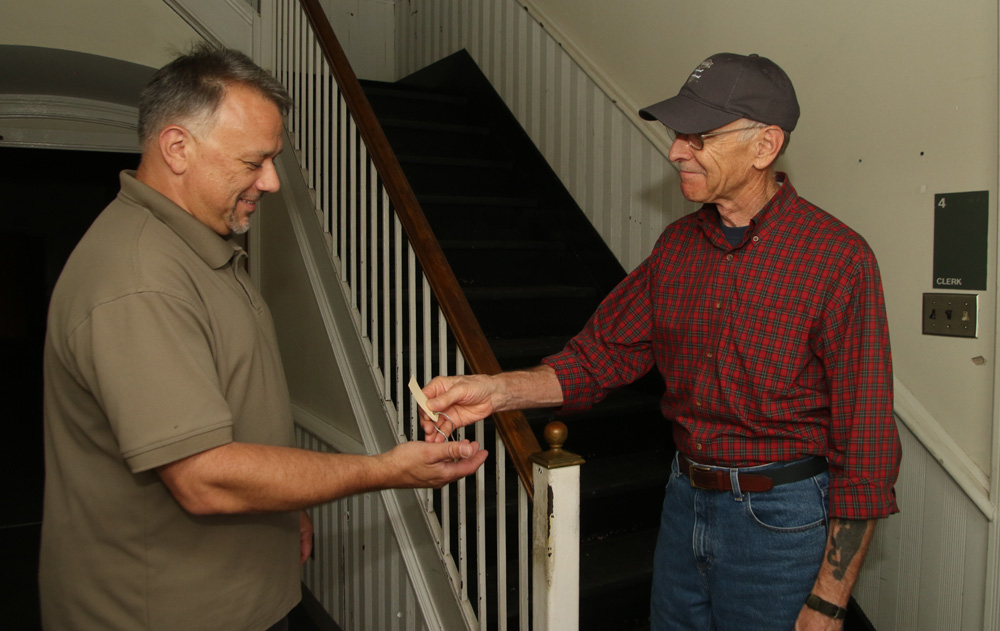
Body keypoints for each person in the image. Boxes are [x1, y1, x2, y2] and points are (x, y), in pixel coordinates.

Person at [419, 52, 900, 631]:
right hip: (684, 502)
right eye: (678, 134)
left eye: (700, 137)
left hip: (782, 522)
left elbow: (866, 447)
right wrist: (494, 391)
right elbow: (594, 361)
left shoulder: (837, 260)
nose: (676, 150)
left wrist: (827, 601)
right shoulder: (677, 248)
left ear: (765, 145)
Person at [39, 43, 487, 631]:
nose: (272, 182)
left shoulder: (203, 243)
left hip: (247, 595)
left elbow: (238, 405)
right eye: (254, 162)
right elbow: (204, 477)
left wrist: (290, 508)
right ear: (177, 148)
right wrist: (386, 469)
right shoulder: (139, 280)